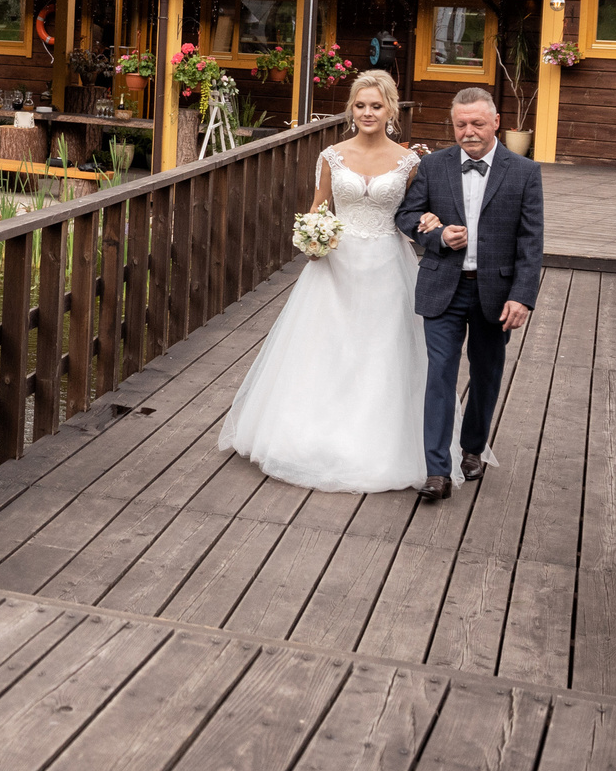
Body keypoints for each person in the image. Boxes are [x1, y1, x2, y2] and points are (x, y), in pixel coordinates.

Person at [216, 71, 436, 493]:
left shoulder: (409, 162)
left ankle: (376, 443)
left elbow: (411, 214)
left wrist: (429, 221)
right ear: (351, 109)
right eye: (360, 105)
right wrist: (311, 237)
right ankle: (310, 435)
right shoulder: (332, 155)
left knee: (382, 350)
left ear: (390, 109)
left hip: (388, 264)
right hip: (335, 265)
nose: (367, 113)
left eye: (376, 105)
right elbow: (319, 206)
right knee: (328, 346)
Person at [394, 84, 547, 502]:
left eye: (477, 123)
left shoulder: (524, 172)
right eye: (461, 124)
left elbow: (531, 243)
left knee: (486, 374)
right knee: (439, 375)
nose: (469, 132)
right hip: (442, 287)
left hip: (495, 293)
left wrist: (523, 296)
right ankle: (436, 471)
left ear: (496, 122)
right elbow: (406, 216)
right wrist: (440, 235)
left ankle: (473, 448)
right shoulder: (433, 166)